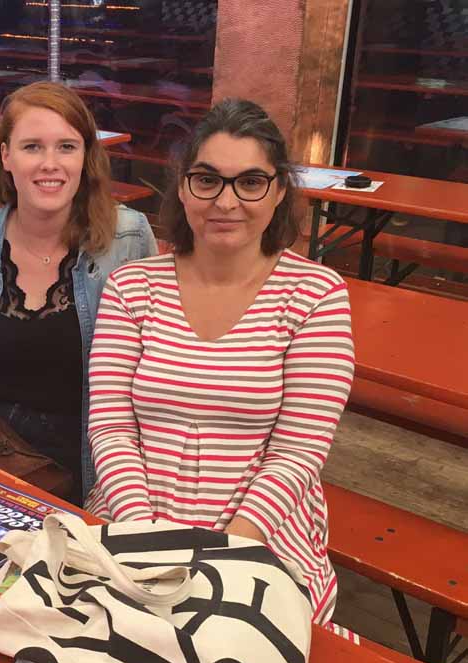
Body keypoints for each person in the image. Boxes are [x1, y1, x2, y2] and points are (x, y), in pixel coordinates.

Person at [85, 99, 354, 625]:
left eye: (250, 182)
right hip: (135, 512)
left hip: (261, 528)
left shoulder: (316, 294)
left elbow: (298, 452)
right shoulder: (133, 286)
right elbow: (112, 427)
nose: (226, 202)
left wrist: (225, 551)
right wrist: (145, 537)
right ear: (184, 188)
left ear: (279, 190)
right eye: (207, 180)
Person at [0, 82, 157, 505]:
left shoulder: (129, 239)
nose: (50, 164)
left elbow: (155, 371)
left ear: (85, 157)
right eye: (32, 147)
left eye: (66, 147)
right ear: (6, 156)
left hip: (102, 460)